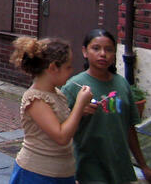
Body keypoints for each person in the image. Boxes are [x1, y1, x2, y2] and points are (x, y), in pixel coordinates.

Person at [62, 29, 151, 183]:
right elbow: (59, 130)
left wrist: (143, 165)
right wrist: (78, 112)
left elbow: (130, 129)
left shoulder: (122, 84)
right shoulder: (74, 86)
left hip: (119, 166)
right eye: (96, 48)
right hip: (88, 168)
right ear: (85, 51)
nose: (102, 54)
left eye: (108, 49)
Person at [9, 36, 93, 183]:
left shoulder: (56, 93)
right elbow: (61, 136)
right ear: (53, 68)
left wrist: (81, 111)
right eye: (68, 67)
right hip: (37, 173)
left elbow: (62, 124)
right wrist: (79, 106)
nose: (71, 71)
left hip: (61, 173)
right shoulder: (35, 99)